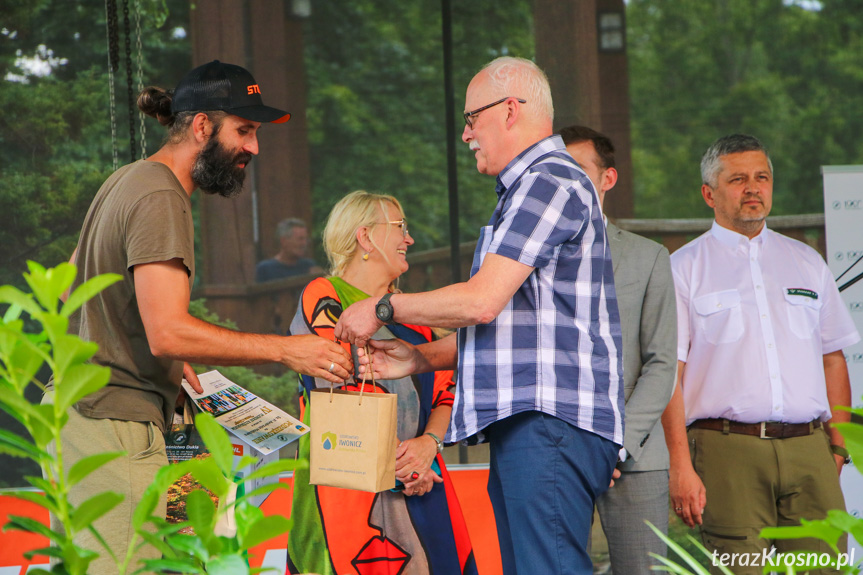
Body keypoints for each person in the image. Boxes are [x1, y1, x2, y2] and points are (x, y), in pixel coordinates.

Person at [47, 60, 353, 574]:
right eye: (245, 131)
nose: (253, 148)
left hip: (76, 419)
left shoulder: (127, 180)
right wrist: (288, 348)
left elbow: (69, 288)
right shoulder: (162, 196)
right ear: (202, 126)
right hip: (113, 425)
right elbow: (167, 331)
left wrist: (160, 361)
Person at [335, 57, 623, 575]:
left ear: (511, 110)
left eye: (471, 118)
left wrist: (385, 306)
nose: (466, 133)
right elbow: (517, 328)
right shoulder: (530, 188)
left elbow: (480, 302)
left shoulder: (548, 181)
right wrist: (419, 358)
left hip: (548, 422)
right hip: (534, 423)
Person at [662, 134, 858, 575]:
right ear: (709, 194)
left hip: (811, 450)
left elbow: (833, 357)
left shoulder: (807, 262)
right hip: (726, 450)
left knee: (823, 570)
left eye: (761, 177)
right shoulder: (683, 268)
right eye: (738, 179)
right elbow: (668, 374)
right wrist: (679, 465)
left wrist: (839, 449)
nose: (753, 188)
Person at [286, 190, 477, 575]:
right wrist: (404, 466)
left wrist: (428, 446)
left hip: (419, 482)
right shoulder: (324, 295)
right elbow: (339, 374)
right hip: (347, 489)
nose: (409, 239)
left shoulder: (415, 317)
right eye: (400, 227)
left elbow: (447, 393)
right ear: (365, 237)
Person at [560, 125, 677, 573]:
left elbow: (662, 363)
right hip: (558, 454)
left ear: (607, 179)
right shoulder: (525, 258)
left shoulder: (648, 257)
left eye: (578, 171)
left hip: (637, 455)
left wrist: (615, 445)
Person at [255, 218, 324, 282]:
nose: (304, 243)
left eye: (306, 239)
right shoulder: (266, 269)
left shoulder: (308, 266)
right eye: (300, 239)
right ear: (284, 241)